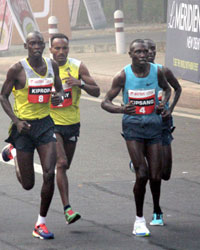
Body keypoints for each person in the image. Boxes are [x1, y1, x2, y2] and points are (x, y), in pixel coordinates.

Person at [101, 39, 171, 237]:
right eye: (138, 52)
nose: (142, 55)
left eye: (145, 51)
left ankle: (156, 209)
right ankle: (139, 220)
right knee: (142, 174)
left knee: (156, 176)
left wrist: (163, 106)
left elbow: (168, 89)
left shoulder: (157, 72)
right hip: (133, 127)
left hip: (154, 126)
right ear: (130, 54)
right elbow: (105, 102)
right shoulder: (123, 75)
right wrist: (121, 109)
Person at [0, 31, 64, 240]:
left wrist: (58, 98)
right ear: (26, 46)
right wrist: (16, 122)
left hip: (45, 124)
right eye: (32, 43)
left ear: (44, 45)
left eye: (40, 43)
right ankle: (15, 150)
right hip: (24, 128)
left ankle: (41, 223)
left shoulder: (52, 66)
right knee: (28, 184)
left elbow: (60, 91)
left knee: (49, 174)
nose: (37, 46)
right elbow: (3, 96)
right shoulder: (17, 69)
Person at [129, 39, 182, 225]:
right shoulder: (133, 73)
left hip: (162, 125)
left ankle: (141, 160)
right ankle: (156, 211)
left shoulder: (162, 71)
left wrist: (170, 109)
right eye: (145, 50)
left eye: (152, 49)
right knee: (147, 173)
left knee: (164, 174)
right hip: (141, 127)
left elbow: (177, 89)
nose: (149, 53)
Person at [49, 33, 100, 224]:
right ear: (51, 50)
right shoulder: (44, 68)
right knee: (61, 163)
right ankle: (67, 209)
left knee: (65, 165)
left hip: (72, 124)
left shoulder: (77, 66)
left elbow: (97, 92)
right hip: (51, 124)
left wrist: (81, 83)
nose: (61, 52)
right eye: (57, 48)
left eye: (64, 48)